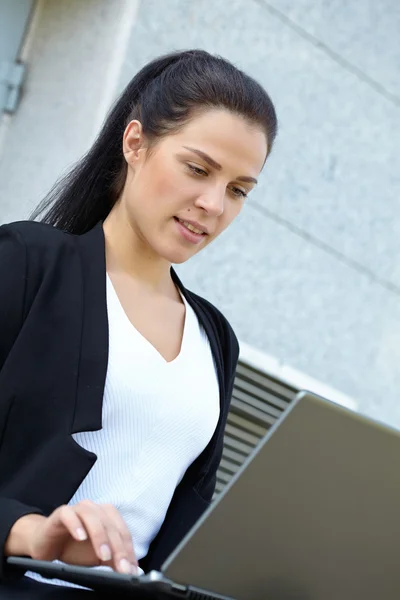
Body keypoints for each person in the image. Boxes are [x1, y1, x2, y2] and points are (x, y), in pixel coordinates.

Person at [0, 49, 277, 593]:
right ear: (135, 143)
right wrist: (30, 531)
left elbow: (185, 526)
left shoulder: (214, 339)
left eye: (239, 190)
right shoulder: (26, 263)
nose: (213, 203)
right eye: (198, 169)